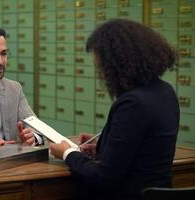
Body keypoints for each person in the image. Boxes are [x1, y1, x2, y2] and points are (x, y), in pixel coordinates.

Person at [49, 19, 179, 200]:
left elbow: (104, 178)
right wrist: (102, 146)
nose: (100, 72)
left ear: (117, 62)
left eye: (101, 64)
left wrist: (67, 153)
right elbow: (142, 150)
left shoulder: (133, 103)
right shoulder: (165, 91)